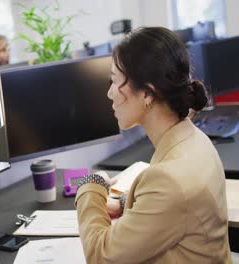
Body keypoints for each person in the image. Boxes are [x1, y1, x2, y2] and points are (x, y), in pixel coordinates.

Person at [75, 27, 232, 263]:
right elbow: (179, 209)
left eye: (115, 82)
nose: (109, 94)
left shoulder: (169, 180)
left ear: (148, 93)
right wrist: (124, 202)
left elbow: (100, 256)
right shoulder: (194, 139)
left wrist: (91, 186)